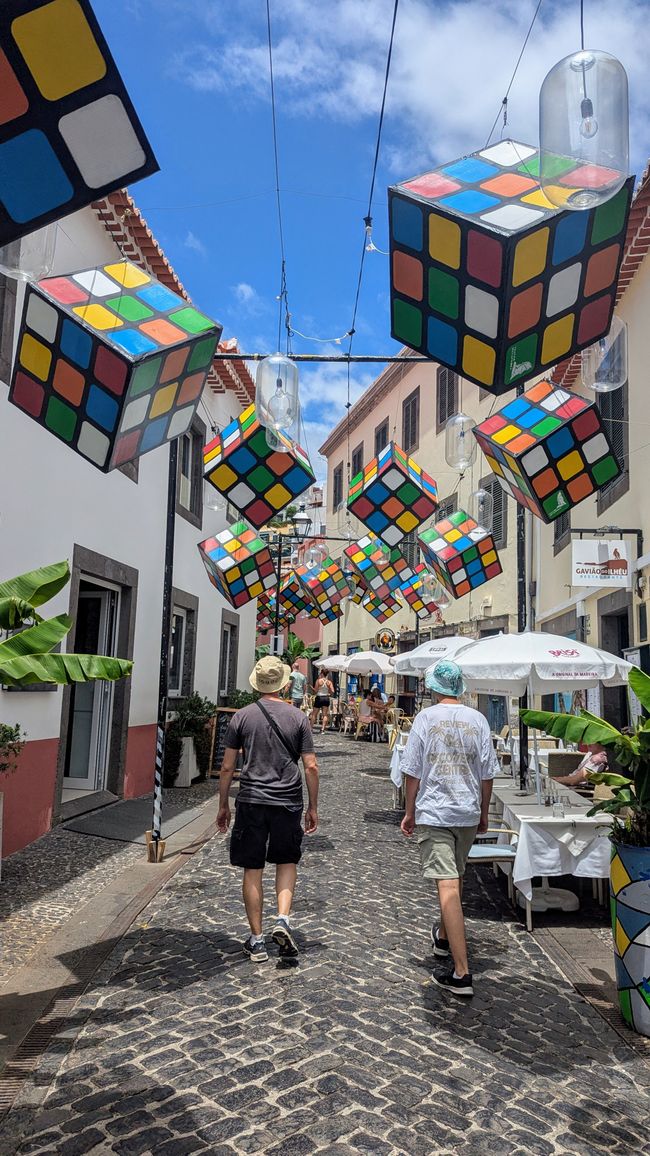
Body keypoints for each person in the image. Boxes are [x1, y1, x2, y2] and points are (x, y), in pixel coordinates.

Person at [400, 659, 498, 998]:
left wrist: (409, 811)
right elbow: (487, 773)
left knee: (448, 886)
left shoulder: (426, 718)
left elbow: (412, 770)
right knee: (455, 877)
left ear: (434, 688)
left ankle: (461, 972)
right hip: (467, 812)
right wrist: (483, 812)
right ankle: (443, 938)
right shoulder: (478, 719)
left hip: (436, 811)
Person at [217, 656, 319, 963]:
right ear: (284, 684)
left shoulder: (242, 717)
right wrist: (313, 807)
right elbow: (311, 766)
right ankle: (283, 920)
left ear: (257, 684)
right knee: (286, 861)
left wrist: (223, 805)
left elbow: (227, 767)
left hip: (251, 799)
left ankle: (257, 940)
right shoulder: (298, 717)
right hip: (287, 800)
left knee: (253, 868)